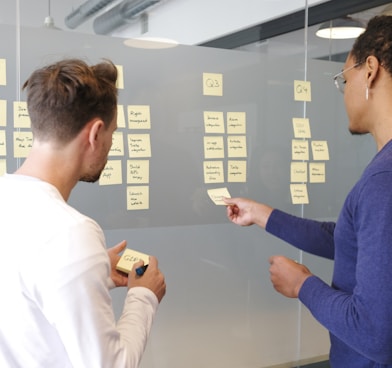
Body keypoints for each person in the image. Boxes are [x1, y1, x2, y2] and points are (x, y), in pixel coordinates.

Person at [224, 15, 392, 368]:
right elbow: (348, 241)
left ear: (371, 71)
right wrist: (261, 214)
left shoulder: (383, 180)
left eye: (344, 79)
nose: (343, 91)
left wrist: (303, 285)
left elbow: (374, 333)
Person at [0, 58, 166, 367]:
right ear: (95, 133)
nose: (110, 144)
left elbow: (23, 301)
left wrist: (95, 271)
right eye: (112, 133)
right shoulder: (71, 232)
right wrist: (144, 296)